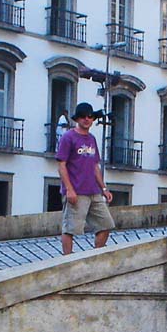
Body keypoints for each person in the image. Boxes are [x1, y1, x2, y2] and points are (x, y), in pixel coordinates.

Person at [55, 101, 115, 255]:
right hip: (76, 191)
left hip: (93, 191)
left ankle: (96, 255)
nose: (87, 119)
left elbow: (95, 166)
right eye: (83, 117)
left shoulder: (92, 139)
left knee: (106, 224)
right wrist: (69, 190)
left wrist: (103, 188)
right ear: (77, 119)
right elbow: (62, 165)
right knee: (70, 229)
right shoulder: (68, 138)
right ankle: (67, 260)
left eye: (90, 116)